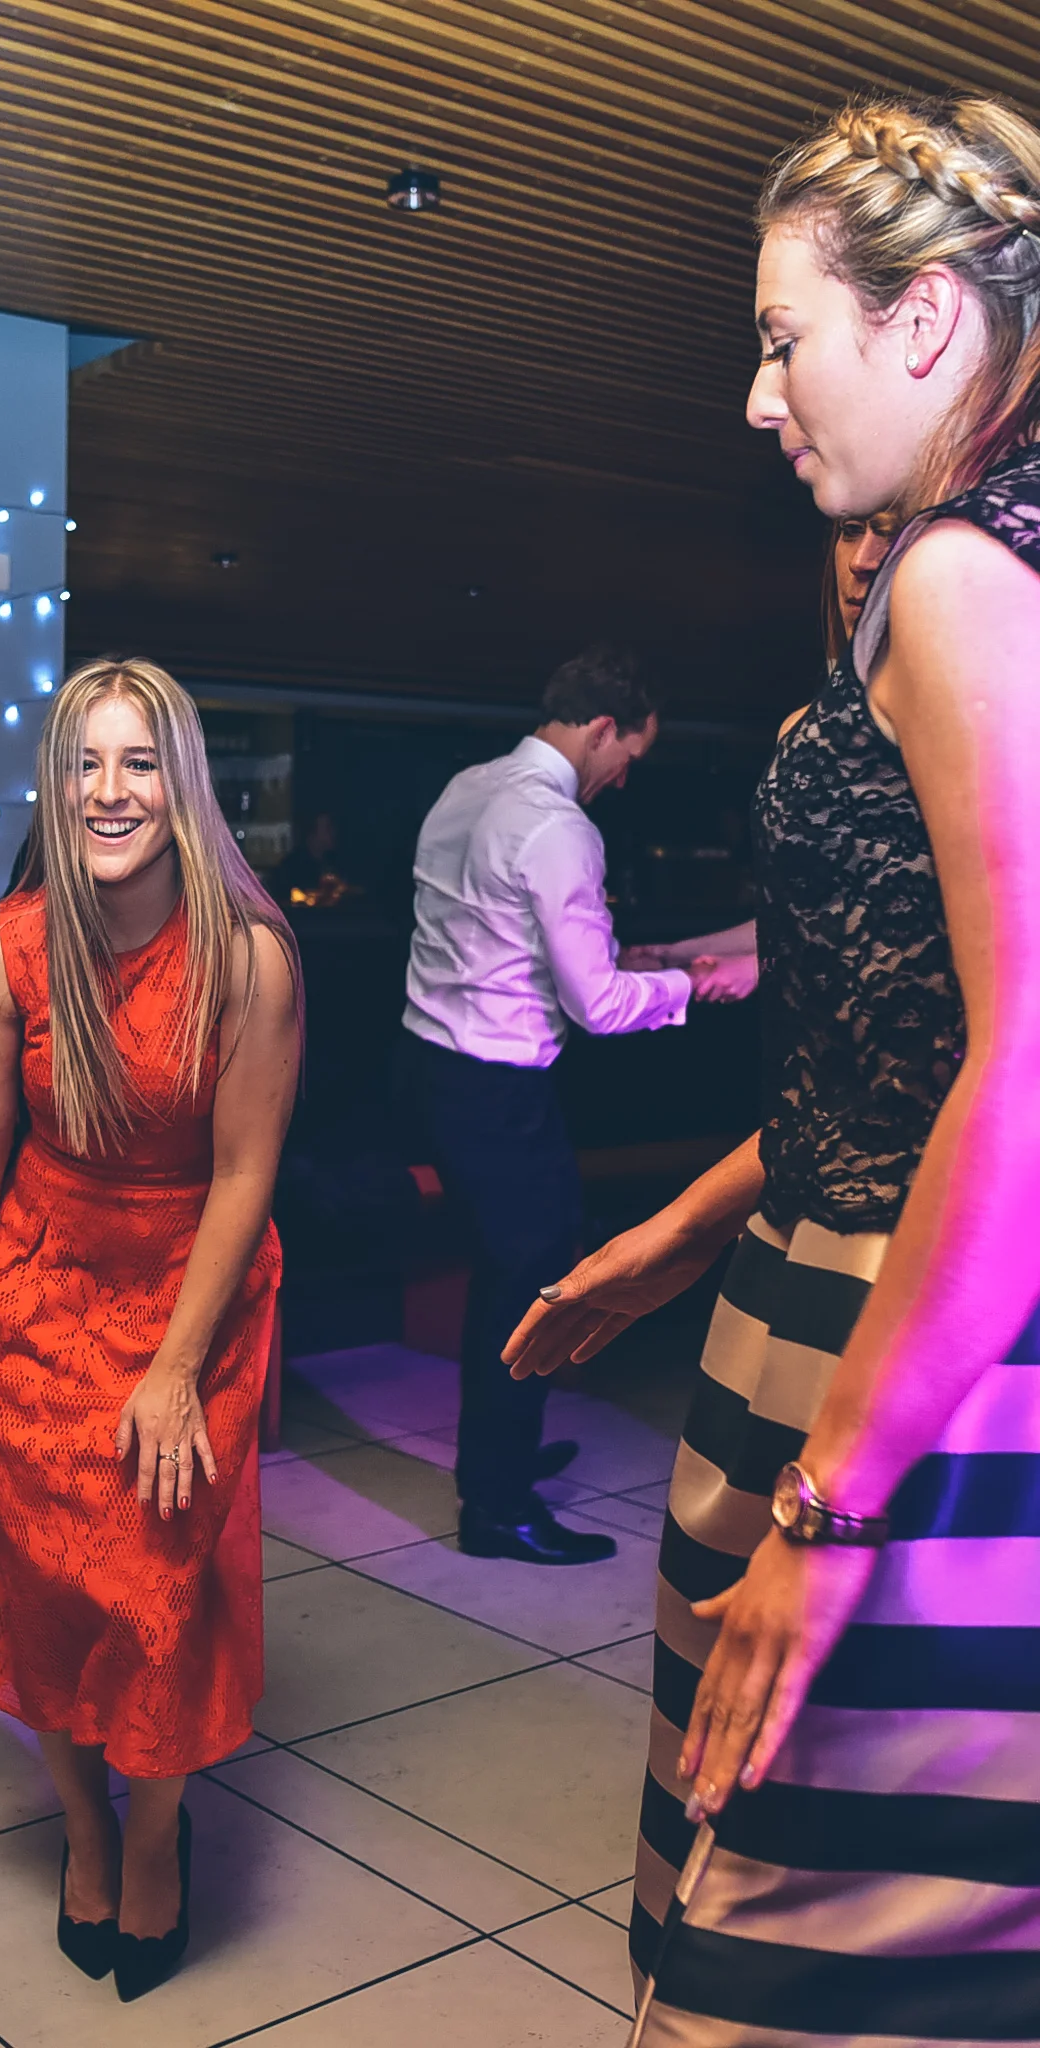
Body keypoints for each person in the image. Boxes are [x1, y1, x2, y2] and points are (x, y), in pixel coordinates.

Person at [506, 94, 1040, 2046]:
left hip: (909, 1378)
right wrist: (676, 1233)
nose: (754, 397)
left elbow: (1021, 1067)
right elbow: (898, 1051)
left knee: (789, 1964)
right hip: (846, 1318)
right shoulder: (953, 562)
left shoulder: (964, 575)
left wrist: (831, 1505)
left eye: (779, 337)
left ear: (924, 322)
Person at [0, 657, 300, 2001]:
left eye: (137, 763)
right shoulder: (5, 949)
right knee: (52, 1591)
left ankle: (159, 1835)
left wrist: (175, 1368)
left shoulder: (246, 957)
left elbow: (243, 1173)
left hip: (193, 1292)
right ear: (54, 785)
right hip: (39, 1292)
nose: (109, 791)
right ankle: (82, 1826)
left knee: (158, 1596)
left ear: (182, 787)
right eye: (84, 764)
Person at [402, 646, 721, 1565]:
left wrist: (627, 959)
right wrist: (693, 986)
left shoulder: (467, 787)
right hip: (500, 1091)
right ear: (603, 729)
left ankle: (497, 1452)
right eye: (630, 756)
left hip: (429, 1067)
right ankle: (497, 1506)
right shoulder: (559, 826)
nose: (625, 777)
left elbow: (490, 941)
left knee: (504, 1272)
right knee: (534, 1285)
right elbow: (600, 1007)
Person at [619, 514, 903, 1001]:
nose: (861, 559)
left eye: (890, 532)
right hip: (811, 1025)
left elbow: (927, 918)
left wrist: (759, 969)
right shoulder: (803, 727)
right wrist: (674, 953)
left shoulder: (949, 715)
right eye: (851, 531)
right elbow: (799, 916)